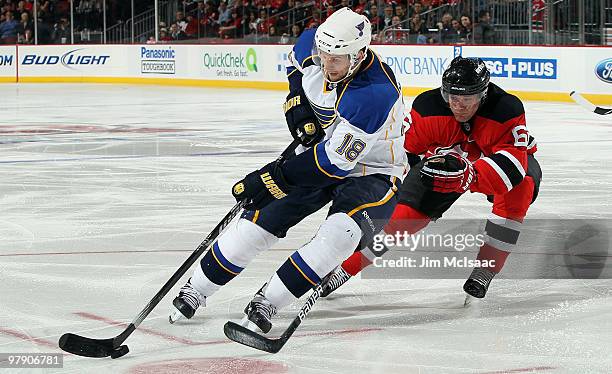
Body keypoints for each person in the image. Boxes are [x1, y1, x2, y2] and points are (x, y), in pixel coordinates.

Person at [169, 7, 407, 333]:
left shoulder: (374, 94)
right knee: (258, 222)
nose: (326, 65)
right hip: (318, 152)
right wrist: (296, 101)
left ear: (359, 54)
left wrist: (273, 178)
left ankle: (269, 301)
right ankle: (196, 288)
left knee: (342, 235)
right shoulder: (316, 43)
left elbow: (334, 163)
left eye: (336, 60)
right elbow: (296, 64)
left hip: (372, 170)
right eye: (323, 56)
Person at [319, 57, 542, 300]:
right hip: (444, 168)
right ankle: (345, 269)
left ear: (483, 95)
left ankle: (485, 269)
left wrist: (470, 175)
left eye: (466, 99)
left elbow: (513, 166)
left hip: (494, 168)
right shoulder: (428, 108)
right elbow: (401, 152)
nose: (458, 106)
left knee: (520, 190)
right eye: (452, 98)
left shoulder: (506, 110)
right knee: (399, 221)